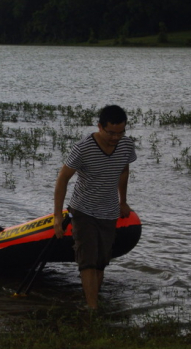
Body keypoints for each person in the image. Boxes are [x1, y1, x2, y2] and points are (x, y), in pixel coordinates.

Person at [53, 105, 136, 310]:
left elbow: (124, 170)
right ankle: (93, 310)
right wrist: (57, 216)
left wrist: (122, 201)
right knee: (88, 261)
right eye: (111, 133)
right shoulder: (83, 148)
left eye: (120, 132)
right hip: (83, 211)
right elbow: (62, 179)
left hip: (109, 212)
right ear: (100, 126)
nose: (116, 137)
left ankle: (93, 303)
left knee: (101, 262)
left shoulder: (126, 146)